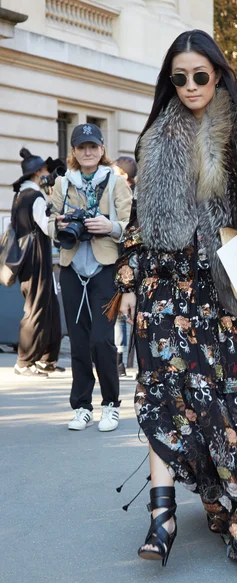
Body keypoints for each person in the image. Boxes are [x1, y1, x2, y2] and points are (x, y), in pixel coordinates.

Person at [114, 30, 237, 566]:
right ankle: (162, 516)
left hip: (226, 297)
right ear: (169, 81)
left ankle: (233, 502)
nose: (191, 85)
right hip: (166, 295)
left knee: (234, 408)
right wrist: (127, 285)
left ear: (217, 74)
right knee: (163, 395)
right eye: (180, 77)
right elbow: (137, 226)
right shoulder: (154, 139)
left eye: (200, 75)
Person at [48, 124, 132, 431]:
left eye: (93, 146)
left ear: (101, 150)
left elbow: (129, 225)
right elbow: (48, 224)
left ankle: (110, 404)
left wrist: (109, 227)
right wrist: (57, 225)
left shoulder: (115, 182)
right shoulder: (62, 183)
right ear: (73, 151)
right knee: (79, 341)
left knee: (101, 340)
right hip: (71, 268)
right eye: (81, 147)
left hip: (104, 268)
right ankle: (82, 406)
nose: (87, 152)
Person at [11, 148, 63, 377]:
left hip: (29, 258)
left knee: (48, 306)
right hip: (36, 257)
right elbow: (48, 227)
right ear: (36, 173)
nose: (47, 173)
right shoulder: (34, 196)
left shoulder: (21, 195)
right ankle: (24, 362)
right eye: (44, 170)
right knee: (36, 308)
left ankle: (46, 359)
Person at [113, 157, 138, 377]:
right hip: (128, 264)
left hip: (125, 263)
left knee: (122, 317)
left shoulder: (129, 197)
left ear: (124, 175)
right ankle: (122, 362)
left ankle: (119, 361)